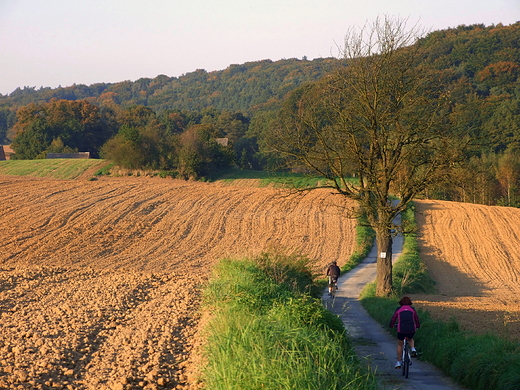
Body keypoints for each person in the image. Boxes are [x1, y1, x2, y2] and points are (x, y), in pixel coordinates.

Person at [389, 296, 420, 369]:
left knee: (400, 344)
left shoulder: (398, 309)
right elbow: (416, 319)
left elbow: (393, 318)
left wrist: (391, 325)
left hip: (401, 329)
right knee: (410, 339)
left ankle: (399, 362)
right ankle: (413, 349)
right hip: (411, 328)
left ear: (401, 303)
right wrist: (418, 326)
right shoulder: (412, 309)